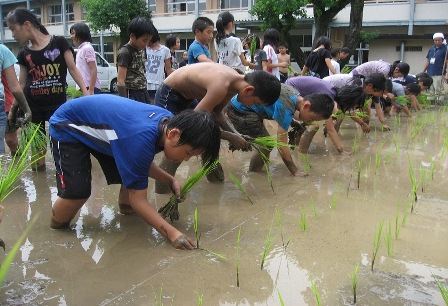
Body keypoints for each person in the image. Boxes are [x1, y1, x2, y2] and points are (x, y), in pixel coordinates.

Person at [49, 94, 221, 250]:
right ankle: (56, 231)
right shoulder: (139, 139)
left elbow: (139, 163)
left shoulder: (167, 124)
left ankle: (127, 213)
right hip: (67, 125)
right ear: (173, 134)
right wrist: (172, 233)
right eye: (188, 153)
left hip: (111, 131)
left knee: (132, 183)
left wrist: (170, 180)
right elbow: (137, 198)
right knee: (76, 193)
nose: (185, 160)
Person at [154, 63, 281, 193]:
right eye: (254, 103)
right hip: (171, 95)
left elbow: (217, 113)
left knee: (208, 144)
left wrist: (236, 134)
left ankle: (216, 185)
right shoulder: (221, 86)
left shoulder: (234, 85)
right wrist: (230, 136)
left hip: (188, 98)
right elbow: (196, 123)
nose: (252, 106)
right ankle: (162, 194)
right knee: (177, 146)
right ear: (249, 90)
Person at [6, 7, 87, 171]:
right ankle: (40, 185)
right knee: (37, 160)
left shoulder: (59, 43)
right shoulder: (23, 53)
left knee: (64, 150)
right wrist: (13, 109)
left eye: (14, 29)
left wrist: (86, 93)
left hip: (58, 108)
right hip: (33, 109)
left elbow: (73, 69)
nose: (13, 34)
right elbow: (21, 84)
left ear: (27, 25)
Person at [226, 83, 334, 176]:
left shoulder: (294, 95)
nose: (310, 122)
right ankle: (254, 174)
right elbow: (281, 145)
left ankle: (258, 168)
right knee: (267, 144)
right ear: (306, 106)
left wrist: (294, 124)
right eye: (312, 118)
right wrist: (294, 171)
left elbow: (279, 111)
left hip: (247, 107)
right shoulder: (287, 108)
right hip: (240, 109)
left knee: (265, 143)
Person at [285, 76, 367, 155]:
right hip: (289, 92)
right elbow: (330, 129)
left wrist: (362, 123)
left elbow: (345, 114)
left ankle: (296, 144)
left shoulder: (333, 93)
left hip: (295, 91)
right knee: (313, 125)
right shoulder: (328, 98)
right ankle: (301, 155)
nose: (351, 109)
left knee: (310, 122)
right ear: (348, 101)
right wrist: (341, 151)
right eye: (353, 106)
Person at [323, 73, 388, 130]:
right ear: (370, 86)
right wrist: (362, 123)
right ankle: (332, 134)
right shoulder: (356, 87)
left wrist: (383, 124)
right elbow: (349, 111)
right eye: (378, 91)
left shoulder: (371, 90)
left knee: (341, 113)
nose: (379, 94)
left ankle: (332, 132)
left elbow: (378, 108)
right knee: (340, 114)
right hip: (326, 88)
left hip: (334, 92)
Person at [0, 46, 32, 155]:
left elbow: (15, 85)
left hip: (7, 102)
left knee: (10, 139)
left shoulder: (4, 54)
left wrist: (18, 106)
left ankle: (17, 159)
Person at [117, 16, 156, 102]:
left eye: (148, 41)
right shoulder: (125, 52)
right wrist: (123, 102)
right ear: (132, 36)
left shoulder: (142, 49)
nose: (146, 44)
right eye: (144, 40)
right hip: (131, 93)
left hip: (143, 90)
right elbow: (120, 81)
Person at [69, 22, 101, 95]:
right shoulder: (81, 49)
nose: (71, 36)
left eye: (73, 33)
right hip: (84, 87)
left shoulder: (87, 48)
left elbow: (93, 69)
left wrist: (91, 89)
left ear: (81, 33)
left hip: (89, 88)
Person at [146, 29, 172, 104]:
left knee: (156, 104)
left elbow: (168, 69)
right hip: (146, 82)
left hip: (159, 82)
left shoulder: (165, 50)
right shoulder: (144, 48)